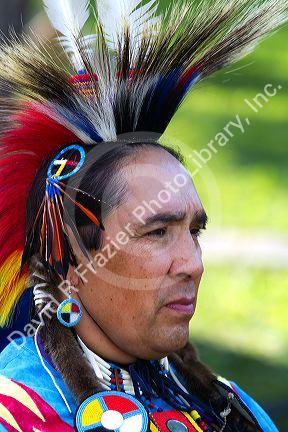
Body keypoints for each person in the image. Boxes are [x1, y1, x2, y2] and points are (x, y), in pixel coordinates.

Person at [0, 0, 286, 431]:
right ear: (73, 260)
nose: (193, 264)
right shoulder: (22, 413)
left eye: (195, 231)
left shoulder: (231, 410)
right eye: (156, 232)